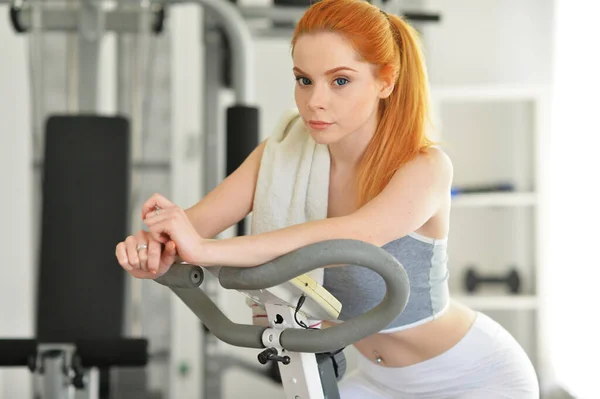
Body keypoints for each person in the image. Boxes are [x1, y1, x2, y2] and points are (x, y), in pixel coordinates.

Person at [115, 0, 539, 397]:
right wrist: (152, 246)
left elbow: (352, 237)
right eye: (304, 80)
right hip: (375, 381)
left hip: (474, 377)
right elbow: (192, 227)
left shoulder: (425, 167)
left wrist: (206, 249)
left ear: (385, 81)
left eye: (340, 81)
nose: (314, 102)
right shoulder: (283, 153)